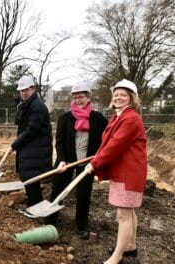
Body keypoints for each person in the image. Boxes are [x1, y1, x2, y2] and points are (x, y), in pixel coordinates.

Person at [85, 79, 147, 264]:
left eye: (123, 95)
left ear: (131, 98)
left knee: (123, 214)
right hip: (123, 169)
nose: (119, 97)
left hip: (129, 172)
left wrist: (95, 163)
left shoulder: (130, 119)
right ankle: (130, 246)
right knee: (129, 211)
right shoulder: (118, 116)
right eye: (117, 94)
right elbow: (108, 144)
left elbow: (115, 145)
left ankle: (117, 257)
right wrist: (96, 158)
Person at [45, 81, 108, 240]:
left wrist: (99, 157)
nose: (78, 100)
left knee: (83, 194)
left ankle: (81, 224)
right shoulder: (65, 118)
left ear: (88, 98)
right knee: (58, 190)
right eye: (75, 97)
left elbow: (108, 138)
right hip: (65, 162)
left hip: (87, 164)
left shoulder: (98, 118)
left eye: (81, 97)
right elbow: (58, 141)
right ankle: (51, 219)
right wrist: (61, 160)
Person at [11, 75, 53, 207]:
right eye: (21, 90)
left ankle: (35, 205)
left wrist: (15, 144)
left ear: (33, 89)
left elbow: (31, 131)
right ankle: (32, 203)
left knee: (31, 178)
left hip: (37, 150)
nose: (23, 93)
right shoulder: (27, 105)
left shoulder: (37, 107)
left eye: (26, 90)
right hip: (30, 149)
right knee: (28, 178)